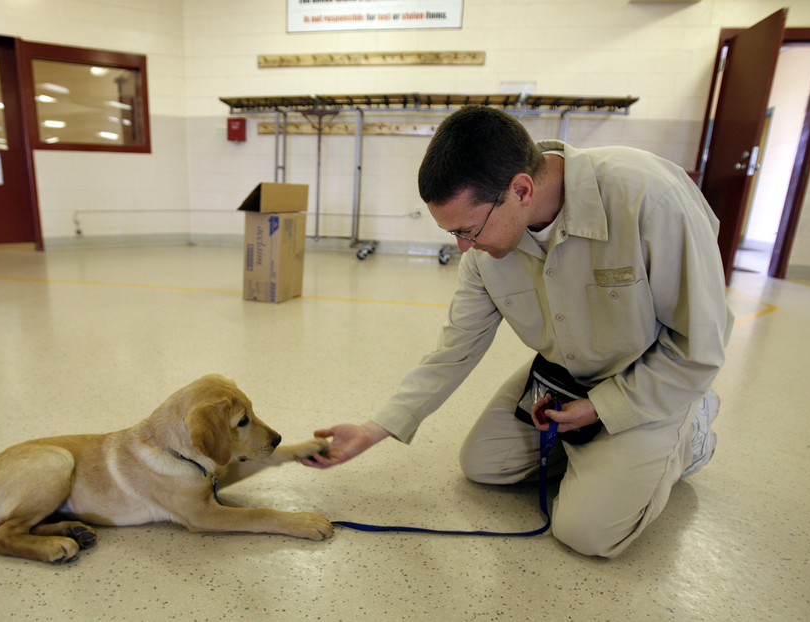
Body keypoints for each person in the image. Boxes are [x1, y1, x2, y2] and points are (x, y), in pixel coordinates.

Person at [302, 105, 733, 558]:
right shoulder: (485, 251)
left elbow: (699, 349)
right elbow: (454, 350)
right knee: (484, 465)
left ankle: (690, 432)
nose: (463, 247)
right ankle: (603, 458)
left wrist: (602, 409)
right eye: (453, 233)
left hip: (651, 380)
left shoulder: (650, 199)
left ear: (521, 190)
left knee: (586, 533)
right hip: (564, 376)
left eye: (469, 230)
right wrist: (373, 429)